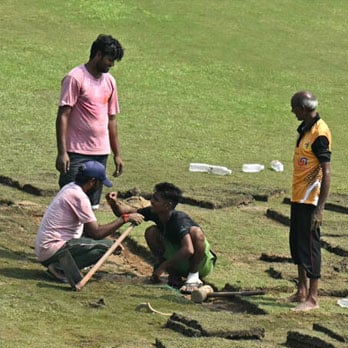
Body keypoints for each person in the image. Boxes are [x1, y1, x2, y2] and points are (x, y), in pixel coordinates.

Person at [35, 161, 144, 282]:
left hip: (46, 250)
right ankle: (58, 269)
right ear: (92, 181)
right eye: (100, 183)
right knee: (107, 247)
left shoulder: (70, 187)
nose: (100, 187)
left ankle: (60, 266)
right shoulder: (79, 197)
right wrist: (125, 218)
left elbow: (88, 229)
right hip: (53, 250)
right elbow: (96, 233)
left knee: (106, 244)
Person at [56, 34, 125, 209]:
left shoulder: (110, 81)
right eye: (109, 59)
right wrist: (62, 152)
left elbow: (112, 120)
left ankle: (86, 236)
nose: (111, 64)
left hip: (101, 153)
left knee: (91, 206)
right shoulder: (75, 77)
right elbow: (63, 115)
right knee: (69, 203)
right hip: (76, 152)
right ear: (98, 55)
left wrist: (116, 154)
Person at [106, 182, 217, 291]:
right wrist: (114, 203)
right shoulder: (155, 212)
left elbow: (188, 250)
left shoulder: (179, 219)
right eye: (153, 198)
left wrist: (162, 267)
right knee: (151, 232)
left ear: (167, 205)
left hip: (200, 265)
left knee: (196, 233)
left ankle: (193, 277)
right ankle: (174, 274)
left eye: (156, 200)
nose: (151, 202)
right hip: (179, 262)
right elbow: (126, 213)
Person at [286, 91, 332, 312]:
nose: (292, 111)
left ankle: (313, 298)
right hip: (298, 196)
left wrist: (320, 208)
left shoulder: (319, 133)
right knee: (297, 244)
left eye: (294, 107)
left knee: (311, 247)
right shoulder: (305, 129)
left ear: (303, 109)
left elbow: (327, 171)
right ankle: (301, 291)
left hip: (310, 200)